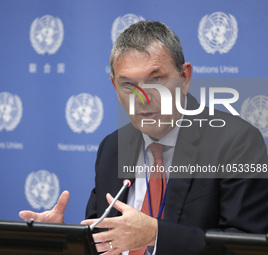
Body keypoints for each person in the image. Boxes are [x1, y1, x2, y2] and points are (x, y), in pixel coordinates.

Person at [20, 21, 268, 254]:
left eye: (156, 80)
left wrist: (156, 235)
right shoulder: (112, 147)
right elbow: (102, 241)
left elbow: (247, 246)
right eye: (128, 84)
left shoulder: (237, 141)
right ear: (115, 87)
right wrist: (62, 241)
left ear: (184, 78)